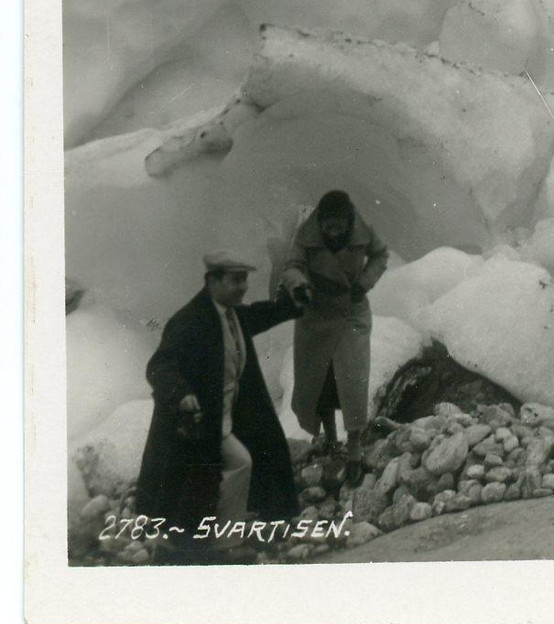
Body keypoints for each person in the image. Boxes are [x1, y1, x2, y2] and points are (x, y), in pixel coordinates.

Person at [134, 251, 301, 554]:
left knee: (233, 467)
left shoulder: (231, 314)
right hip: (200, 423)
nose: (243, 287)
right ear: (212, 281)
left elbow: (259, 315)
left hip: (225, 418)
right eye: (236, 280)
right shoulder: (189, 321)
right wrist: (181, 393)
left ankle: (220, 538)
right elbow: (159, 366)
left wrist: (289, 307)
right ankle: (212, 542)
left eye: (245, 280)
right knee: (214, 475)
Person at [281, 190, 389, 484]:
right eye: (328, 226)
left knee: (352, 380)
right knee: (319, 379)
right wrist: (300, 285)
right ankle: (329, 438)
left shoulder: (363, 232)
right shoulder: (307, 235)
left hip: (350, 312)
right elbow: (291, 266)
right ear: (321, 222)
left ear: (348, 221)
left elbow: (381, 254)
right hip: (315, 314)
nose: (332, 232)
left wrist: (364, 282)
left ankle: (354, 450)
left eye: (338, 227)